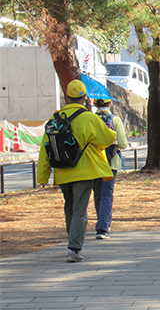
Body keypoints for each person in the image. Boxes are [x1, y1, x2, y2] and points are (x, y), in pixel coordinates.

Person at [37, 80, 117, 262]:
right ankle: (74, 248)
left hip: (63, 171)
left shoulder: (55, 119)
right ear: (84, 98)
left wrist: (42, 176)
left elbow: (45, 149)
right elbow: (107, 138)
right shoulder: (89, 118)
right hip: (84, 171)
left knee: (69, 207)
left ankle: (72, 240)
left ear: (67, 97)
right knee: (80, 210)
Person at [92, 99, 128, 240]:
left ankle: (100, 220)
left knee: (97, 194)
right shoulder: (115, 120)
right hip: (111, 162)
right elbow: (123, 143)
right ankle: (103, 227)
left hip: (94, 162)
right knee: (107, 194)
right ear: (109, 104)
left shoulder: (91, 119)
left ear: (95, 104)